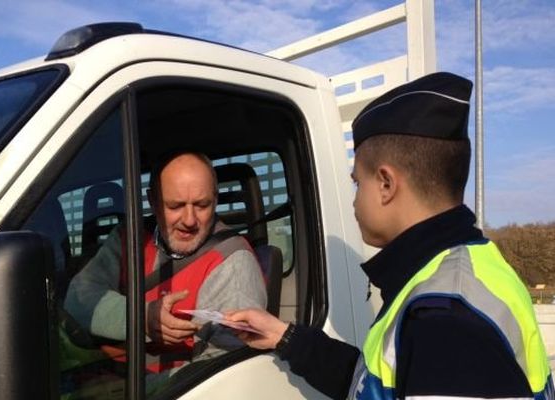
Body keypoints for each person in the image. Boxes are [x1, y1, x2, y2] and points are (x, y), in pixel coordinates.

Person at [226, 72, 554, 400]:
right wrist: (284, 337)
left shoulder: (445, 318)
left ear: (386, 184)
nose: (354, 200)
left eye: (357, 183)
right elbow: (377, 386)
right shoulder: (458, 273)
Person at [65, 151, 267, 375]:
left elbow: (223, 371)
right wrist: (141, 317)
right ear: (152, 201)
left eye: (202, 205)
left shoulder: (231, 262)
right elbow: (78, 298)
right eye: (175, 206)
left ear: (216, 199)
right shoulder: (129, 238)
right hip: (102, 370)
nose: (190, 220)